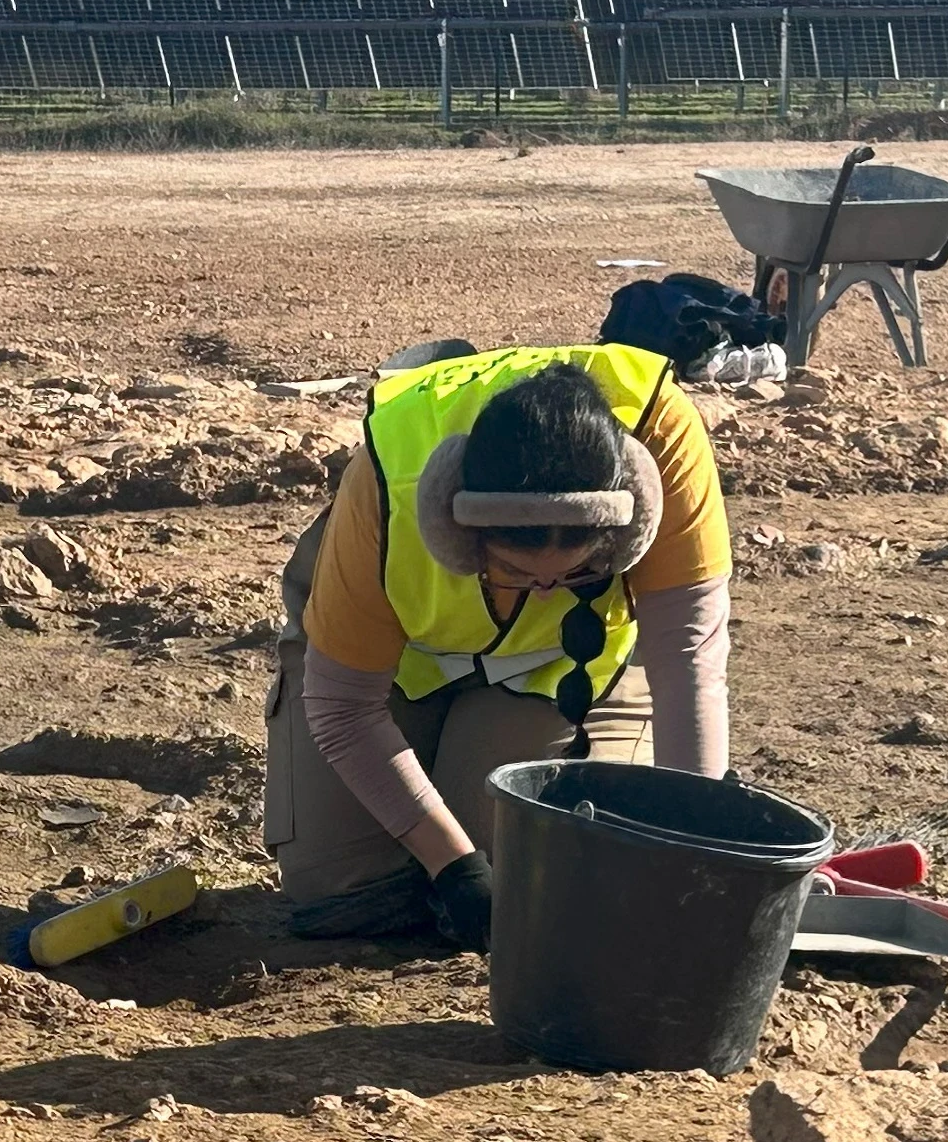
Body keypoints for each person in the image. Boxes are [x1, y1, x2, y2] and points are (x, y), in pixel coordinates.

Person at [265, 342, 733, 947]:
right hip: (396, 664)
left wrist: (698, 844)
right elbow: (343, 706)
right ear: (459, 534)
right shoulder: (389, 482)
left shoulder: (661, 435)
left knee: (525, 872)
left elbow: (687, 665)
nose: (545, 593)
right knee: (340, 891)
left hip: (559, 666)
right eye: (515, 569)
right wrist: (455, 869)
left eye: (576, 574)